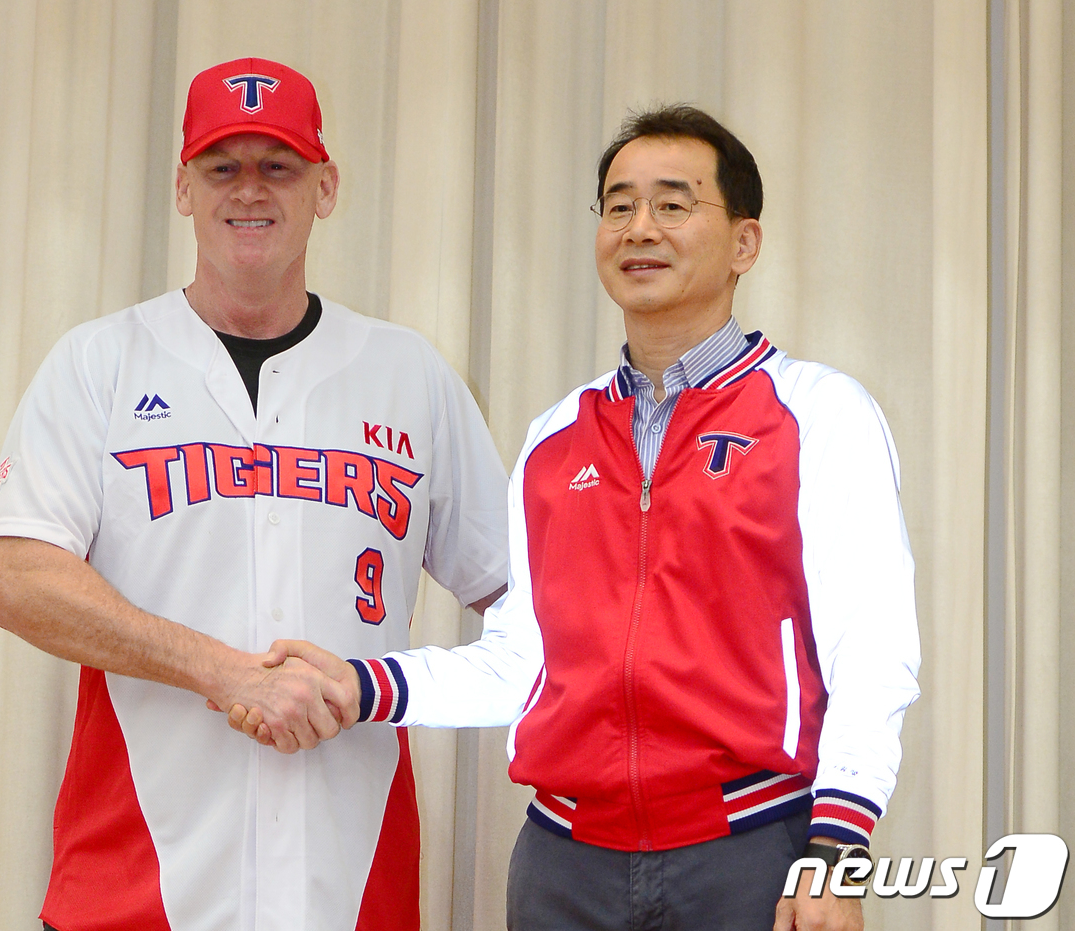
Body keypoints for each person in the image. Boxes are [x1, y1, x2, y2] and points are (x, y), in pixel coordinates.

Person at [238, 105, 922, 931]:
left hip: (749, 850)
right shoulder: (556, 437)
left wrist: (837, 851)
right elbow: (521, 663)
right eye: (619, 205)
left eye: (673, 204)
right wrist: (358, 684)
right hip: (563, 866)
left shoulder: (819, 413)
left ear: (744, 242)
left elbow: (872, 653)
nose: (641, 228)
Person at [0, 57, 509, 931]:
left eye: (279, 166)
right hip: (134, 888)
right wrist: (220, 670)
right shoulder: (100, 362)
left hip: (350, 887)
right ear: (183, 188)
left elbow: (523, 603)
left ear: (325, 187)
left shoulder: (408, 373)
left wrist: (383, 686)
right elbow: (17, 577)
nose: (249, 190)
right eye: (222, 166)